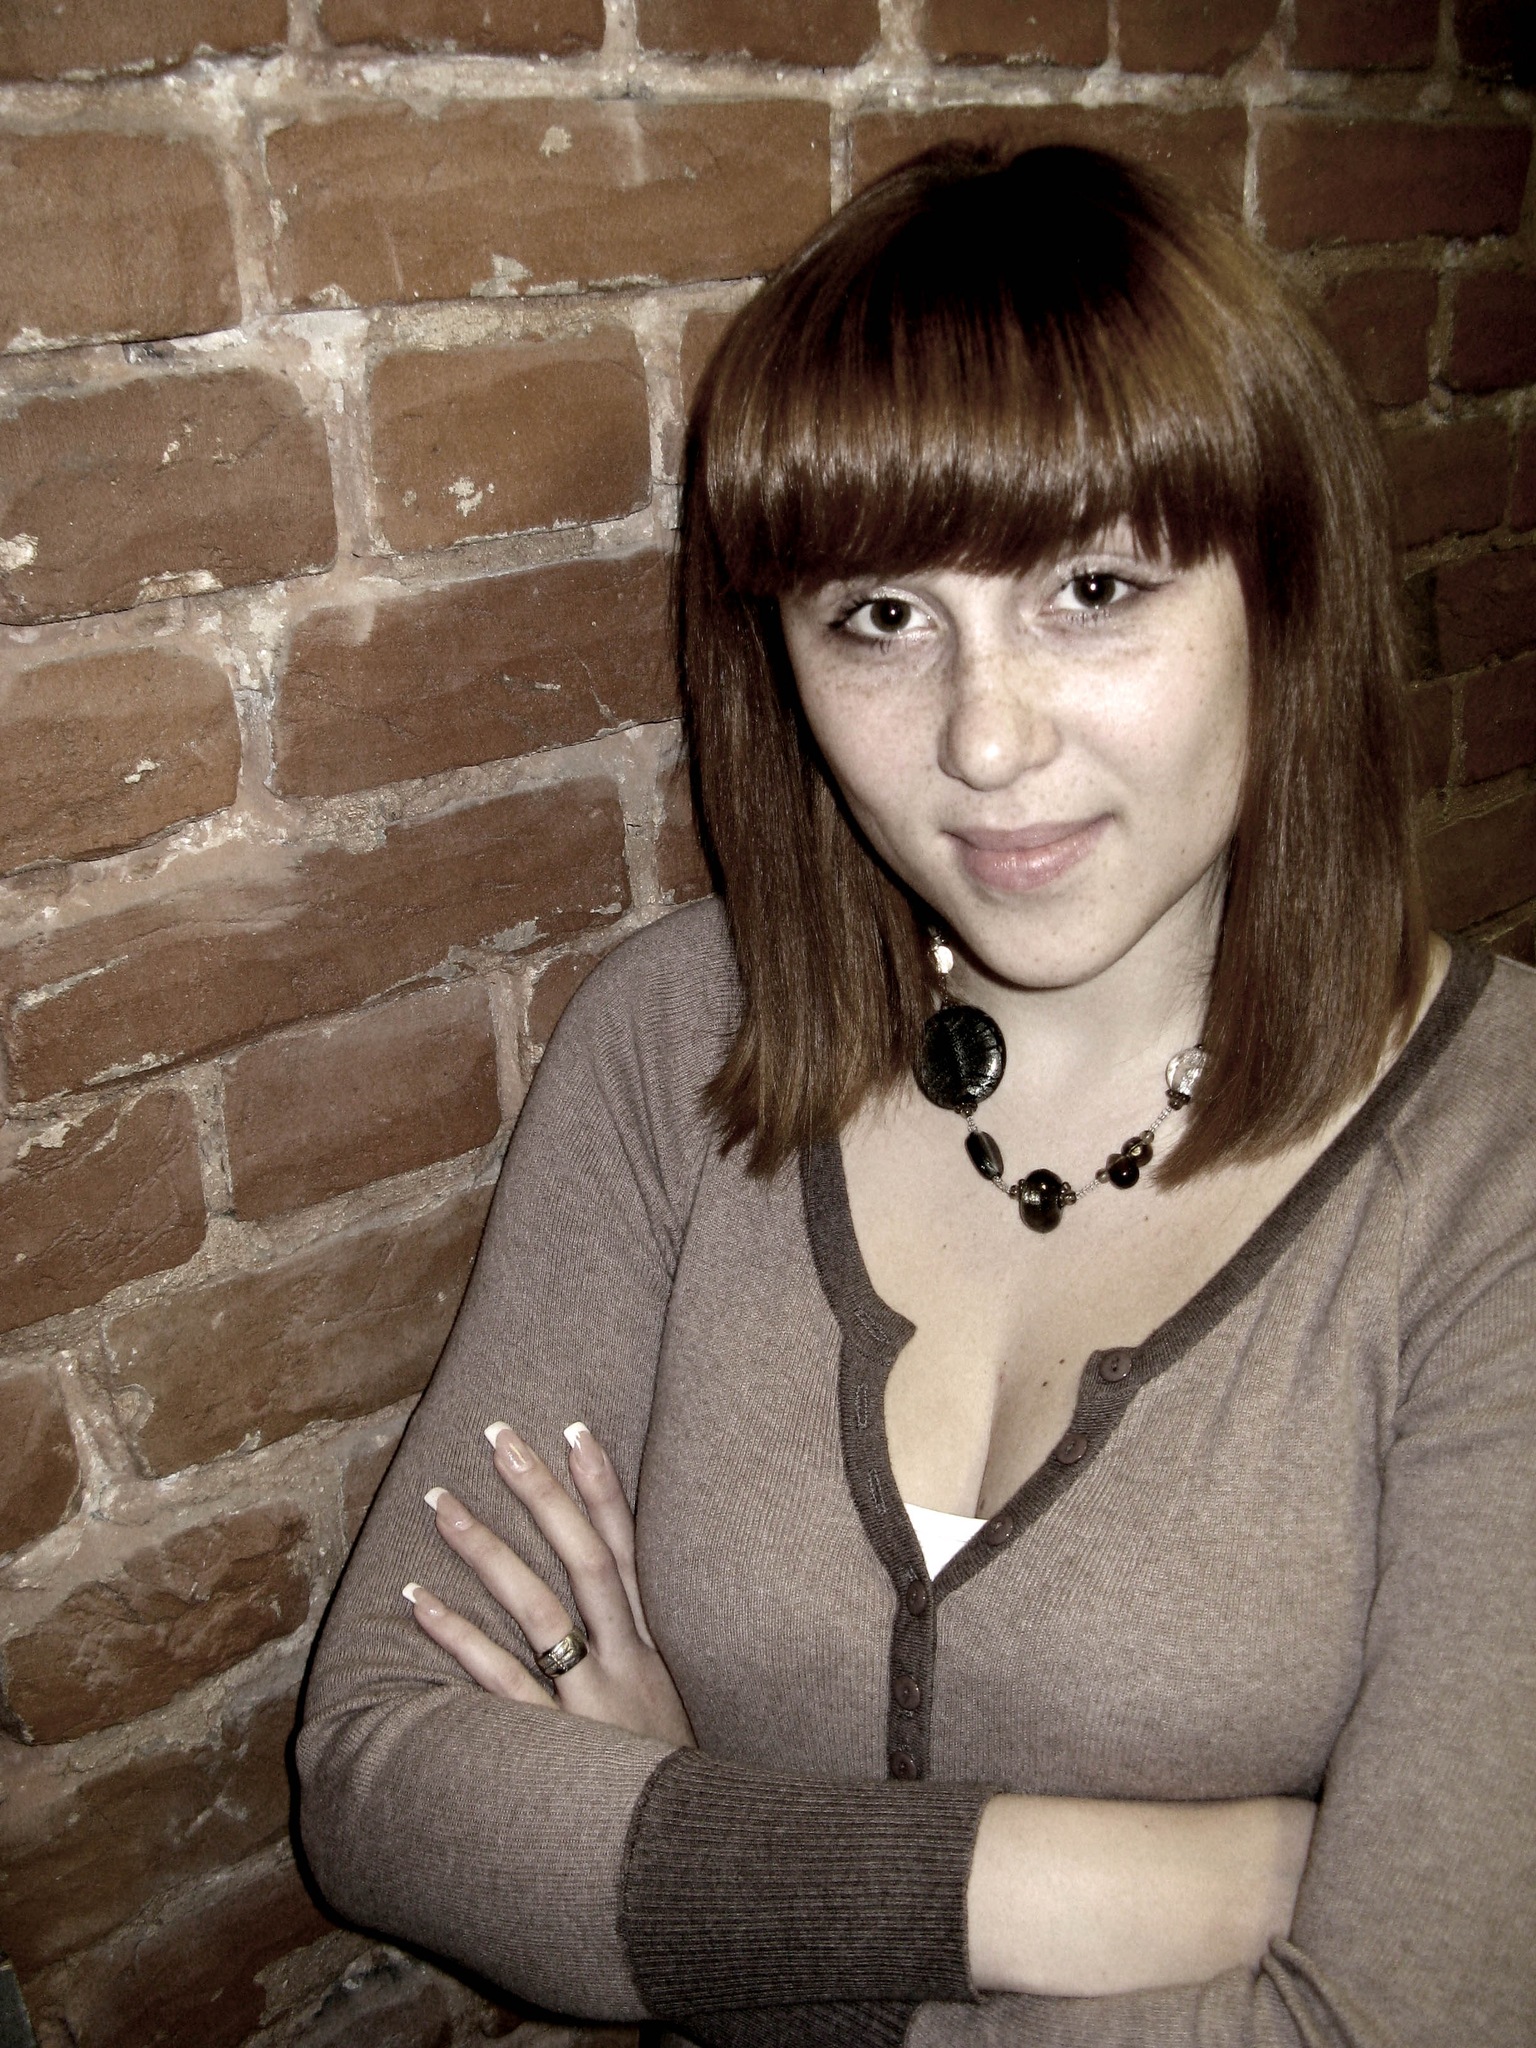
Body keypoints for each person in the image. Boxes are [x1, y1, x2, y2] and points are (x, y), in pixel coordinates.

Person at [297, 145, 1535, 2045]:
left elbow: (1391, 2022)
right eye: (879, 616)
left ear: (1288, 595)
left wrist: (696, 1874)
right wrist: (1135, 1884)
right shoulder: (677, 1041)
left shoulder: (1496, 1163)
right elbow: (383, 1768)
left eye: (1094, 590)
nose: (983, 738)